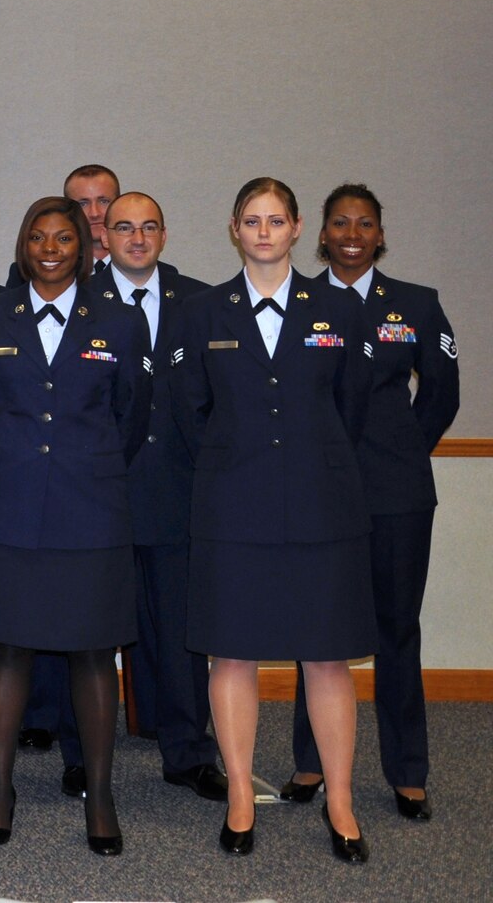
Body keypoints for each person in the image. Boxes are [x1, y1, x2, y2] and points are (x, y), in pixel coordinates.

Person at [181, 177, 376, 863]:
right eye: (251, 221)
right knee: (230, 652)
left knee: (325, 657)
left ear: (298, 229)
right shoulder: (205, 312)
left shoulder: (338, 309)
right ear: (234, 229)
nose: (263, 232)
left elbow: (354, 409)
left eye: (276, 220)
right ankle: (240, 794)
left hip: (322, 507)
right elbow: (190, 412)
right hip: (233, 508)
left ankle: (343, 801)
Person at [0, 195, 151, 856]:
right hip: (5, 511)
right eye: (37, 237)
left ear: (84, 248)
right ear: (21, 246)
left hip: (88, 513)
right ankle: (1, 790)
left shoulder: (120, 325)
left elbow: (132, 418)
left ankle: (101, 796)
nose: (50, 247)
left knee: (95, 655)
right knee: (6, 650)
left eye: (64, 237)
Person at [286, 183, 457, 822]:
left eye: (364, 224)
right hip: (318, 493)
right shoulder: (299, 303)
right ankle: (310, 761)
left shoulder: (416, 304)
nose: (352, 233)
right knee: (317, 628)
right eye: (340, 223)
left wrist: (404, 449)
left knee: (396, 629)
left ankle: (407, 770)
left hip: (396, 493)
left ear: (379, 235)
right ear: (321, 234)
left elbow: (442, 392)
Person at [96, 192, 225, 800]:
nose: (138, 238)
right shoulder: (78, 300)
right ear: (106, 236)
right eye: (125, 228)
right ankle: (87, 758)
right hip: (100, 491)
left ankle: (188, 752)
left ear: (165, 235)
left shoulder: (199, 302)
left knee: (179, 631)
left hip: (178, 489)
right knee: (91, 628)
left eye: (149, 227)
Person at [5, 165, 121, 288]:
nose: (94, 213)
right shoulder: (33, 270)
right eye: (83, 203)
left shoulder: (138, 263)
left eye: (104, 201)